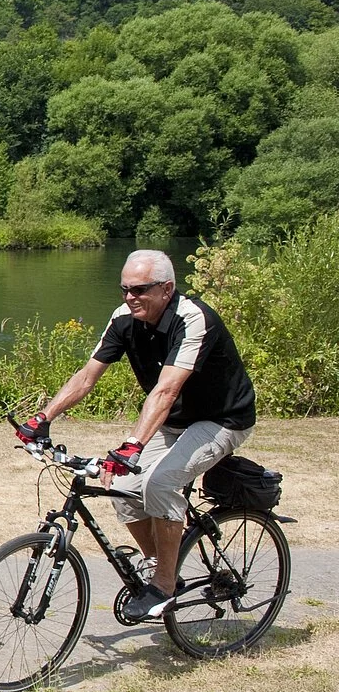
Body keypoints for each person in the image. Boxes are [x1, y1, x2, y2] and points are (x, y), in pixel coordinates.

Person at [15, 249, 256, 622]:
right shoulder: (124, 319)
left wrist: (133, 446)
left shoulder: (192, 319)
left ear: (167, 288)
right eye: (125, 289)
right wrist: (42, 418)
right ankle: (161, 563)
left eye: (140, 289)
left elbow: (166, 391)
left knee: (159, 483)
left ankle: (163, 586)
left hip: (221, 419)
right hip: (174, 421)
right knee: (124, 489)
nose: (130, 297)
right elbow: (87, 375)